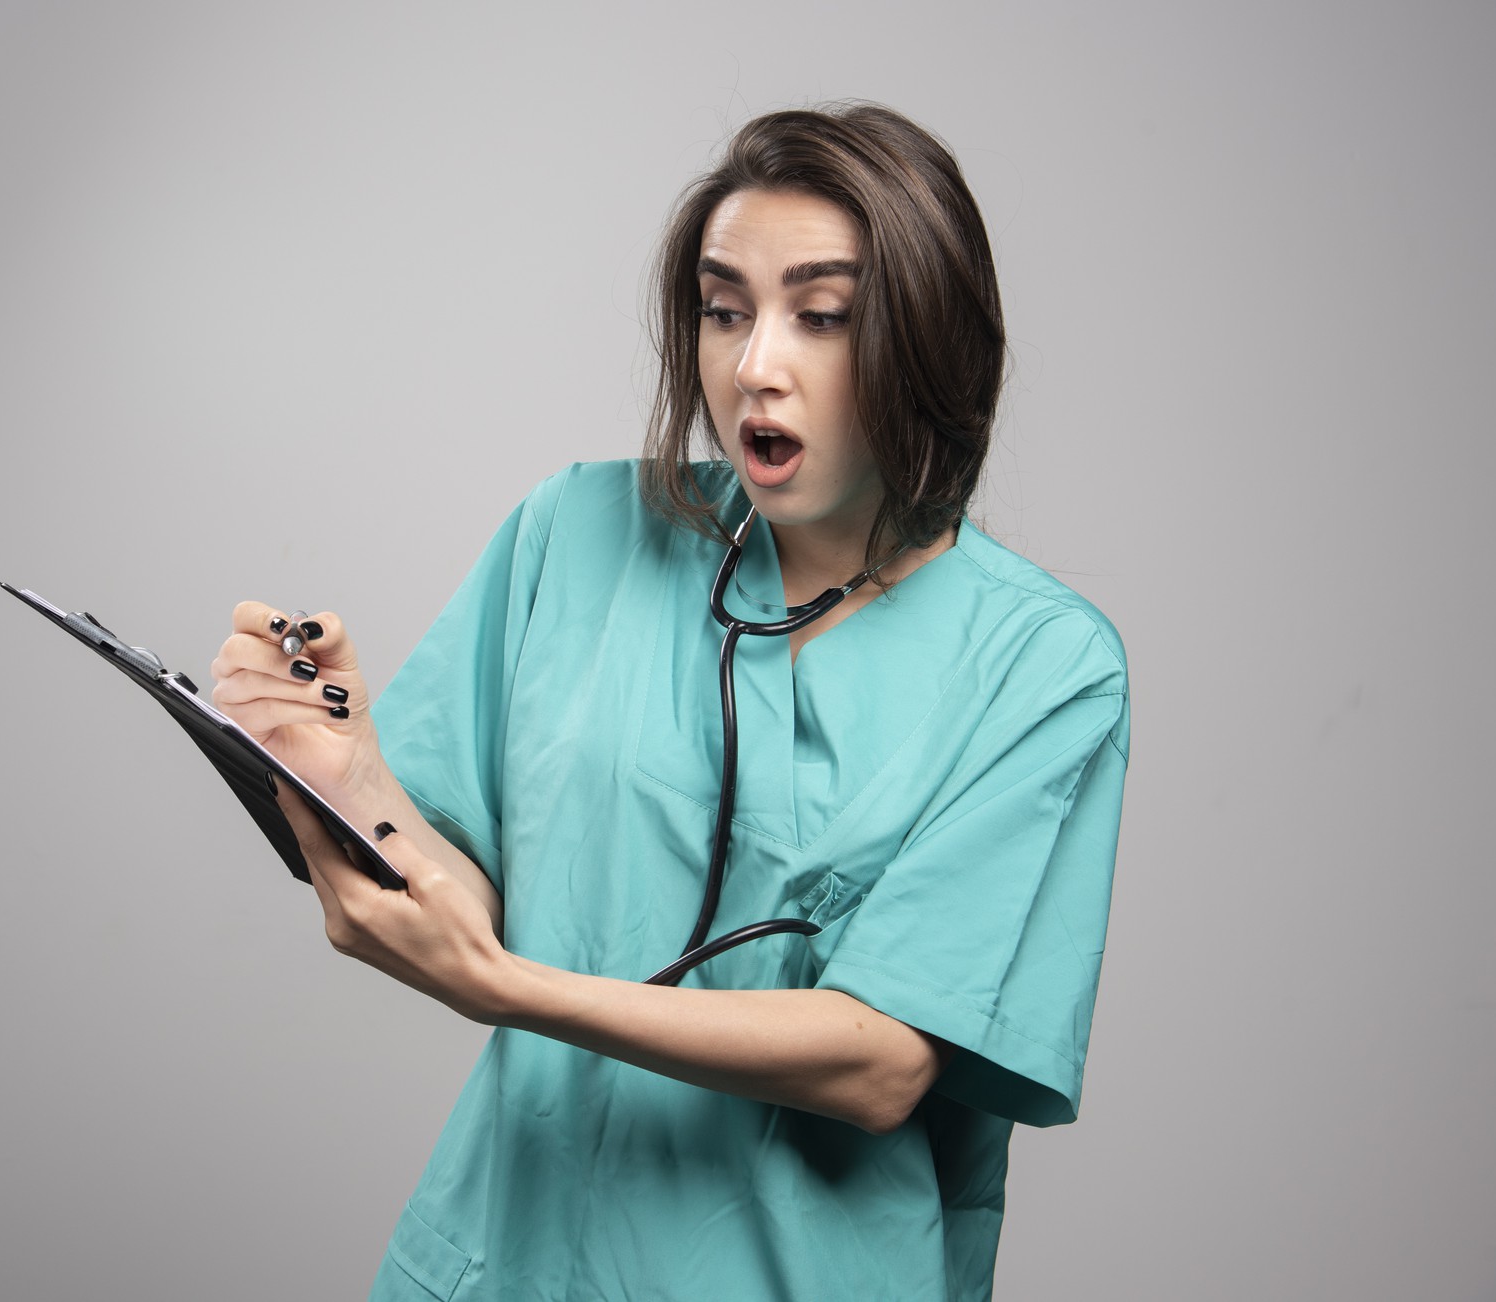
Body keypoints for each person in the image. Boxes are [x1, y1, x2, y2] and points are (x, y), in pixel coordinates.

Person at [208, 102, 1130, 1301]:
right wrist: (343, 770)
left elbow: (879, 1059)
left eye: (821, 315)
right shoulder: (577, 531)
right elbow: (456, 885)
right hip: (509, 1258)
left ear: (929, 343)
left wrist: (508, 990)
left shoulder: (1040, 666)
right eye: (723, 306)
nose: (753, 362)